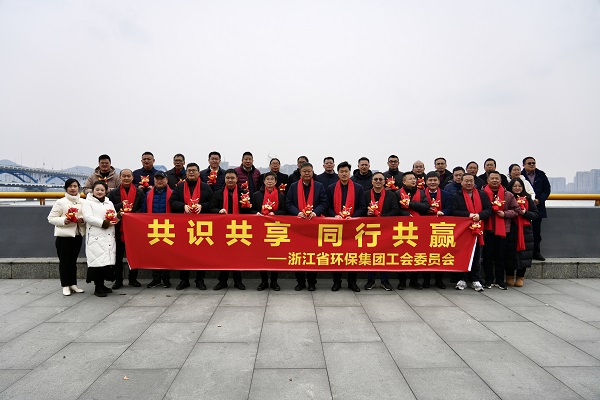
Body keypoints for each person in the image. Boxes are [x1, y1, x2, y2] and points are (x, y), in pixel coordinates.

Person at [285, 162, 328, 291]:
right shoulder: (293, 186)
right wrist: (297, 213)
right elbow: (288, 203)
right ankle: (300, 282)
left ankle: (312, 282)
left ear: (313, 172)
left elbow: (324, 203)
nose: (307, 173)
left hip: (314, 225)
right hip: (298, 226)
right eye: (304, 171)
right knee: (298, 254)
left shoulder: (319, 186)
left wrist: (315, 212)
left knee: (312, 254)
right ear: (300, 172)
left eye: (309, 171)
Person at [170, 163, 213, 290]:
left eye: (194, 170)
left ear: (199, 173)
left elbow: (212, 203)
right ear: (186, 173)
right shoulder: (180, 187)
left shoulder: (206, 187)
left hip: (201, 226)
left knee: (201, 254)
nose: (191, 172)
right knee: (183, 254)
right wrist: (183, 206)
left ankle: (200, 280)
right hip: (184, 226)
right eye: (189, 170)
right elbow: (172, 201)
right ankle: (184, 280)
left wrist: (202, 206)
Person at [326, 161, 366, 292]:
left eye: (346, 171)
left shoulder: (358, 188)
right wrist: (335, 215)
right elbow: (327, 206)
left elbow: (362, 207)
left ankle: (352, 282)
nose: (344, 174)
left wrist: (352, 217)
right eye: (341, 171)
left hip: (352, 226)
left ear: (350, 173)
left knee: (352, 254)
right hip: (336, 226)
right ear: (338, 173)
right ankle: (336, 282)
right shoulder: (331, 188)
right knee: (336, 255)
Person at [209, 169, 253, 290]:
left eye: (232, 178)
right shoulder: (218, 193)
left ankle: (238, 281)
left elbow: (249, 210)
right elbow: (211, 208)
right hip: (222, 229)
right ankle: (222, 281)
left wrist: (248, 206)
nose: (230, 180)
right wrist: (219, 211)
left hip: (238, 229)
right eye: (227, 178)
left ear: (237, 179)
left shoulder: (243, 193)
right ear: (224, 179)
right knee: (222, 256)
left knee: (238, 256)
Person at [451, 174, 492, 292]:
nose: (469, 183)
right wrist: (468, 215)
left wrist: (479, 216)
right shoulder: (456, 195)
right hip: (463, 230)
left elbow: (488, 210)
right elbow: (454, 211)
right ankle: (462, 278)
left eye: (471, 181)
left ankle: (475, 279)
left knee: (477, 255)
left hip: (478, 229)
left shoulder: (482, 194)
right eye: (466, 181)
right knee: (462, 254)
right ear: (461, 182)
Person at [481, 171, 519, 290]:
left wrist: (505, 214)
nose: (494, 180)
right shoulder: (482, 194)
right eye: (492, 178)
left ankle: (500, 280)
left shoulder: (508, 195)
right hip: (486, 230)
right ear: (487, 180)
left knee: (501, 256)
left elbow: (516, 210)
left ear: (501, 180)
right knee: (487, 256)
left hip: (503, 230)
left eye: (497, 178)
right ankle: (488, 279)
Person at [47, 178, 86, 296]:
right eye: (70, 186)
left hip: (77, 235)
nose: (73, 188)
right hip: (63, 236)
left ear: (79, 188)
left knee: (73, 261)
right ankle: (65, 285)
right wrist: (64, 220)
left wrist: (82, 220)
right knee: (64, 262)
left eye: (75, 186)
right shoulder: (60, 202)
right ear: (66, 188)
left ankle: (73, 284)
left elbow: (87, 217)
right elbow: (51, 218)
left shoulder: (83, 202)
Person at [363, 172, 401, 291]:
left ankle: (385, 280)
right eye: (376, 179)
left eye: (381, 179)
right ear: (372, 181)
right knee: (370, 255)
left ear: (385, 181)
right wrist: (366, 212)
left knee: (385, 254)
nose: (378, 181)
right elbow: (361, 208)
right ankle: (370, 280)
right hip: (369, 229)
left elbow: (395, 210)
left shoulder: (391, 195)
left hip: (386, 229)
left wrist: (381, 217)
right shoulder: (365, 194)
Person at [108, 169, 145, 289]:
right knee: (118, 256)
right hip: (118, 228)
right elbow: (109, 209)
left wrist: (133, 216)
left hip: (134, 228)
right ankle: (118, 280)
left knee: (134, 255)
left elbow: (142, 208)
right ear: (120, 177)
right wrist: (121, 205)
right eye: (124, 176)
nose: (126, 178)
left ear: (132, 177)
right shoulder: (114, 193)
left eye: (129, 176)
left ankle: (133, 279)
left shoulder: (139, 192)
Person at [82, 181, 118, 297]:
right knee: (97, 262)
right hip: (95, 236)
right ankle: (98, 286)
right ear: (93, 190)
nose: (99, 192)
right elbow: (88, 217)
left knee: (105, 262)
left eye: (102, 190)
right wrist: (104, 223)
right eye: (97, 189)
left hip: (108, 235)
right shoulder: (88, 203)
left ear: (106, 191)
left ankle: (102, 285)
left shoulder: (109, 203)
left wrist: (118, 216)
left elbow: (113, 215)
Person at [252, 172, 287, 291]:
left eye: (272, 179)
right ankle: (263, 281)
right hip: (260, 230)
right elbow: (250, 209)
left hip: (275, 230)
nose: (270, 181)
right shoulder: (257, 195)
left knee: (275, 256)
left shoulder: (281, 196)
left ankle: (274, 281)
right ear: (264, 181)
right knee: (262, 256)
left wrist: (275, 213)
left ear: (276, 182)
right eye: (267, 179)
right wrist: (256, 213)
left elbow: (285, 211)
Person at [396, 172, 430, 290]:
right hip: (402, 228)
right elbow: (395, 209)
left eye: (414, 178)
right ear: (404, 181)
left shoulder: (421, 193)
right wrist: (405, 214)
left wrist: (410, 204)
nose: (413, 180)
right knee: (402, 254)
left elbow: (426, 207)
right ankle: (402, 281)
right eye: (410, 179)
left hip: (418, 227)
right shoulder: (397, 193)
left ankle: (414, 281)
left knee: (417, 253)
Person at [421, 171, 453, 289]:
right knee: (425, 254)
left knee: (440, 254)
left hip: (440, 228)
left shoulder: (446, 194)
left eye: (435, 180)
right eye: (430, 180)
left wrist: (443, 212)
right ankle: (426, 280)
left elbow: (450, 208)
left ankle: (439, 280)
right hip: (425, 228)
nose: (432, 182)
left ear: (439, 181)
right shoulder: (421, 194)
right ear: (426, 182)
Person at [143, 171, 173, 288]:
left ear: (167, 180)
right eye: (157, 179)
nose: (159, 181)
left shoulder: (172, 193)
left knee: (167, 254)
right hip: (153, 227)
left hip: (168, 227)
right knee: (154, 254)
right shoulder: (148, 194)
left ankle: (166, 278)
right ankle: (156, 278)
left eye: (162, 179)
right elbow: (144, 211)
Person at [506, 178, 539, 287]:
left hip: (525, 230)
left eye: (519, 186)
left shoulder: (527, 198)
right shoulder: (507, 198)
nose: (517, 188)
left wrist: (525, 213)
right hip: (510, 228)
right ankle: (509, 276)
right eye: (515, 186)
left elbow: (535, 214)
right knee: (509, 253)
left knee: (524, 254)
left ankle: (520, 277)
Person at [522, 157, 551, 261]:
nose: (532, 164)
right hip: (523, 208)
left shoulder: (541, 175)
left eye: (533, 163)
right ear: (523, 165)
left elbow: (547, 190)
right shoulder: (521, 176)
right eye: (529, 163)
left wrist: (539, 200)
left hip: (537, 208)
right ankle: (524, 253)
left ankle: (536, 253)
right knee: (523, 232)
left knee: (536, 232)